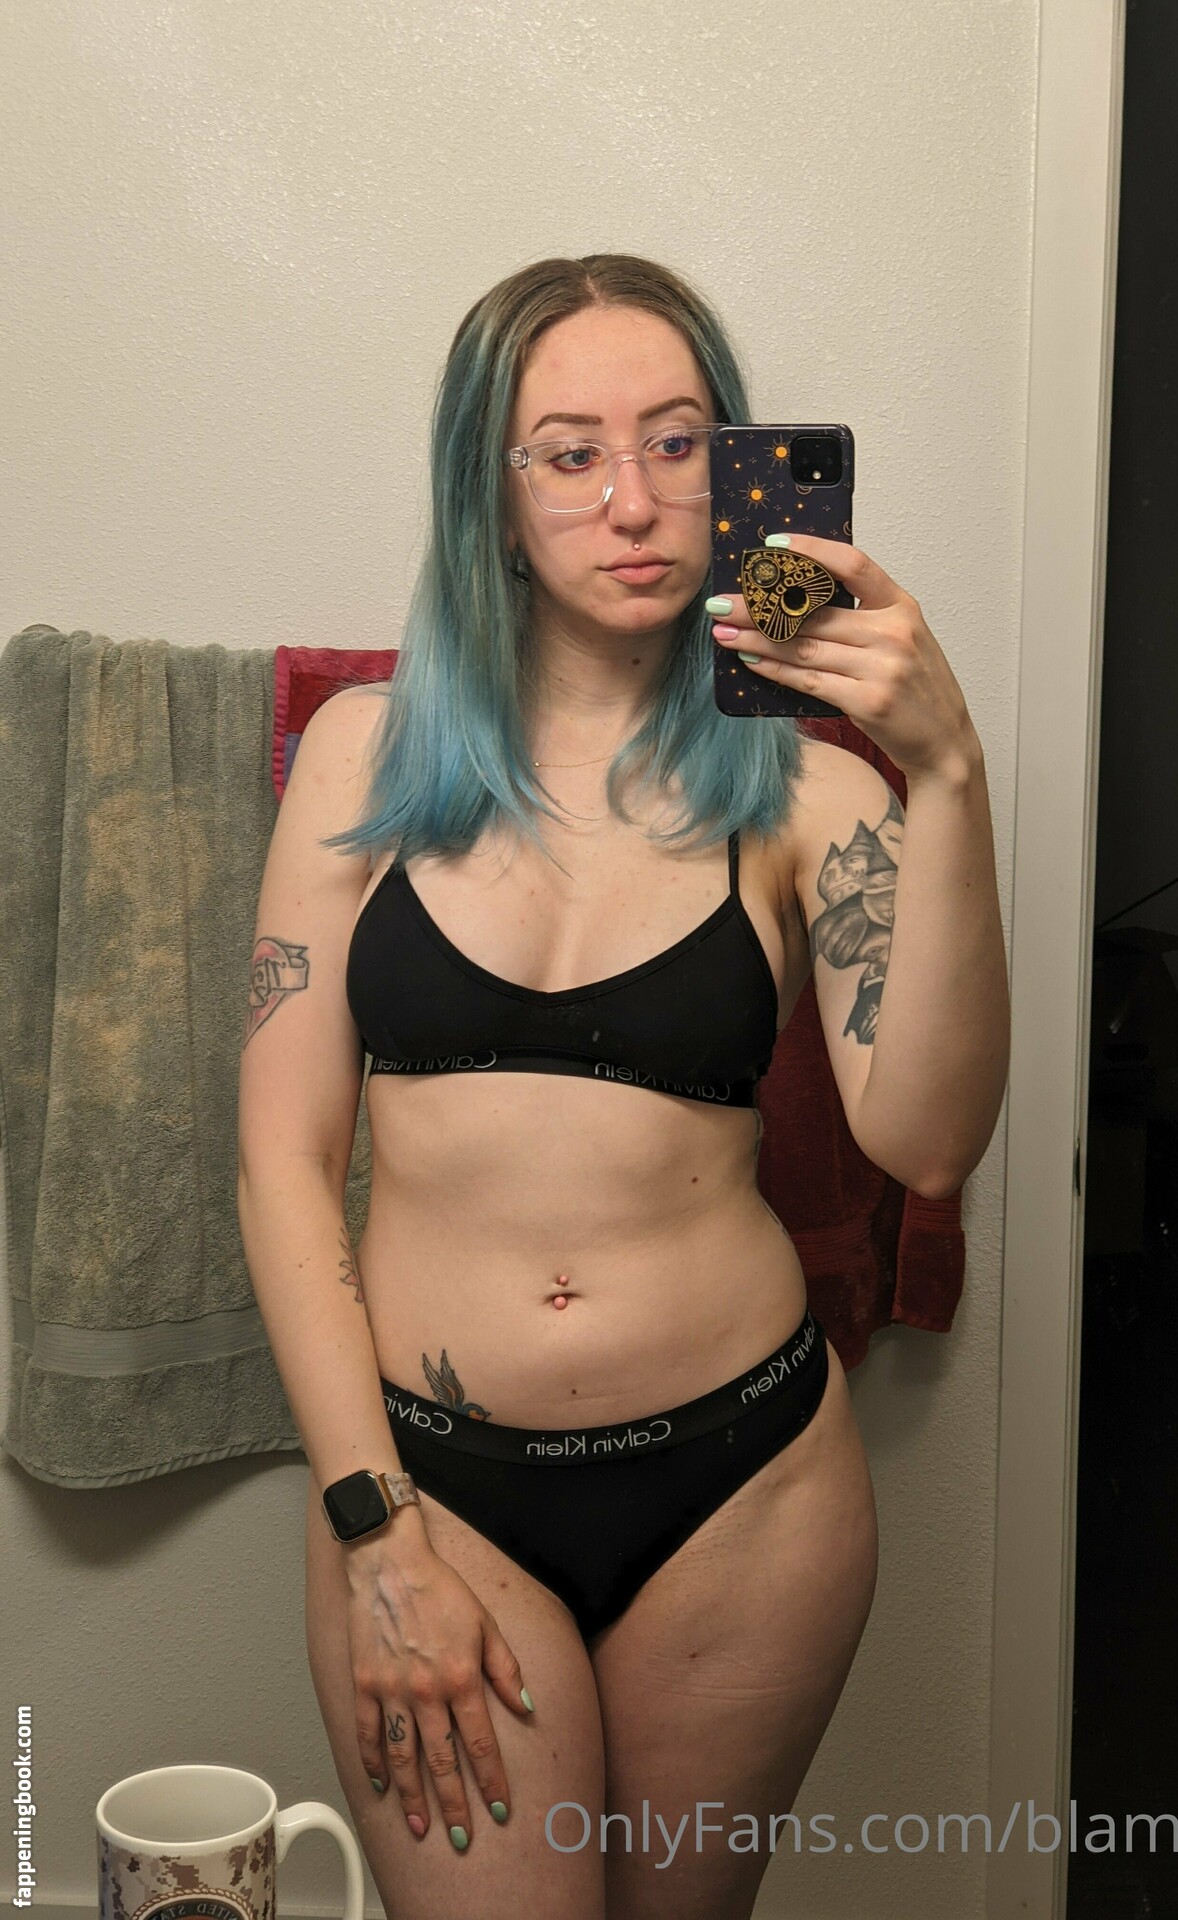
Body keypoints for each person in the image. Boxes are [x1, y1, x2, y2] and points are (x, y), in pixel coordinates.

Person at [237, 252, 1007, 1920]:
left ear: (740, 470)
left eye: (677, 442)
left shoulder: (808, 793)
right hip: (428, 1486)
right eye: (571, 453)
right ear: (492, 494)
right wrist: (375, 1531)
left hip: (750, 1495)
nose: (636, 500)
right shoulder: (364, 759)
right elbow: (282, 1163)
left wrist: (948, 772)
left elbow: (930, 1140)